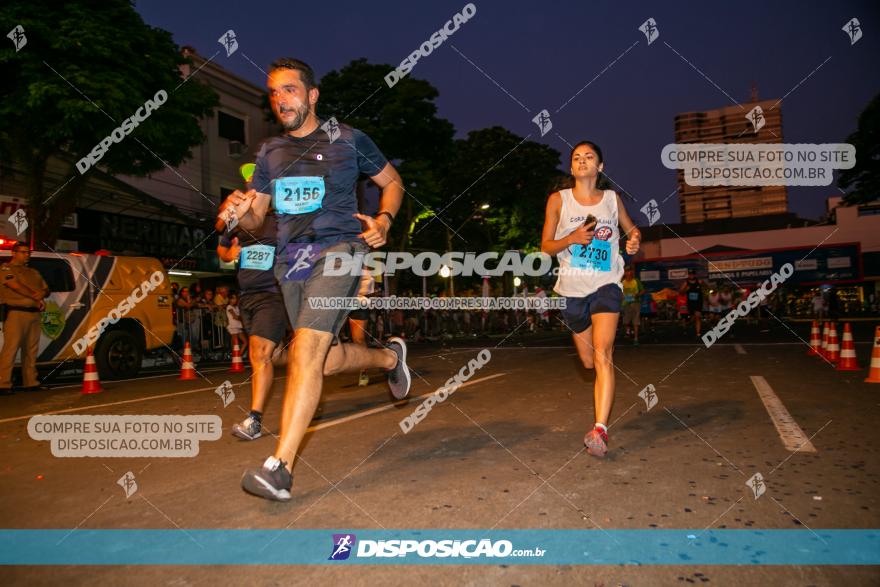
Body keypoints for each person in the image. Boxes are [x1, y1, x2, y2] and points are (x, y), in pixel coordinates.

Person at [224, 57, 411, 501]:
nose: (280, 99)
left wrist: (384, 219)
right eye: (274, 92)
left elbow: (393, 182)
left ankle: (280, 467)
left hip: (339, 252)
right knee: (320, 361)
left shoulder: (349, 140)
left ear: (312, 96)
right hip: (292, 262)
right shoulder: (270, 152)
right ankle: (389, 360)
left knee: (306, 349)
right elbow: (257, 218)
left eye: (289, 90)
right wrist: (238, 212)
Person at [540, 141, 641, 458]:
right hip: (572, 289)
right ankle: (600, 417)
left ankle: (600, 429)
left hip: (606, 284)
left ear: (600, 167)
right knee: (587, 362)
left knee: (603, 354)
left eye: (589, 157)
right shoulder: (558, 200)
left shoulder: (612, 200)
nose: (582, 161)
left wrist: (635, 239)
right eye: (576, 158)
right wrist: (571, 238)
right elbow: (545, 246)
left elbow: (631, 229)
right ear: (571, 168)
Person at [0, 242, 50, 394]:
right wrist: (36, 296)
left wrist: (43, 294)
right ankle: (3, 384)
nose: (26, 255)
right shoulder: (6, 269)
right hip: (16, 313)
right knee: (11, 348)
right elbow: (14, 285)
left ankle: (31, 382)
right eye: (23, 252)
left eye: (28, 252)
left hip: (34, 314)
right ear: (13, 253)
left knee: (31, 350)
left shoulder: (33, 272)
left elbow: (46, 288)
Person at [620, 266, 644, 345]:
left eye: (630, 271)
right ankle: (628, 331)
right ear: (624, 273)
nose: (628, 273)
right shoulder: (622, 282)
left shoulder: (636, 281)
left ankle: (636, 339)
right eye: (627, 271)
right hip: (626, 304)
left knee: (635, 322)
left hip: (635, 303)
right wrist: (621, 297)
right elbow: (619, 293)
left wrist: (637, 295)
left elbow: (643, 291)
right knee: (625, 322)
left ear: (632, 272)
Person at [680, 269, 704, 338]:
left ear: (695, 275)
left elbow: (706, 288)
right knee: (693, 318)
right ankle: (689, 322)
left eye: (692, 274)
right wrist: (685, 289)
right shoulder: (685, 283)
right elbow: (681, 293)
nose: (691, 275)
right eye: (690, 274)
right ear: (688, 275)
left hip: (698, 303)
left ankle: (698, 333)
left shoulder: (699, 281)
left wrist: (705, 294)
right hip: (690, 303)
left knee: (698, 317)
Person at [225, 292, 247, 356]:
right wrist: (242, 318)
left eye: (235, 298)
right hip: (233, 326)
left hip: (238, 326)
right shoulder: (229, 307)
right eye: (233, 298)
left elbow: (239, 316)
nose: (235, 300)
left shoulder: (237, 307)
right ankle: (235, 356)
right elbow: (235, 317)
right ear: (229, 299)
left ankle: (238, 355)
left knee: (245, 342)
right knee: (235, 343)